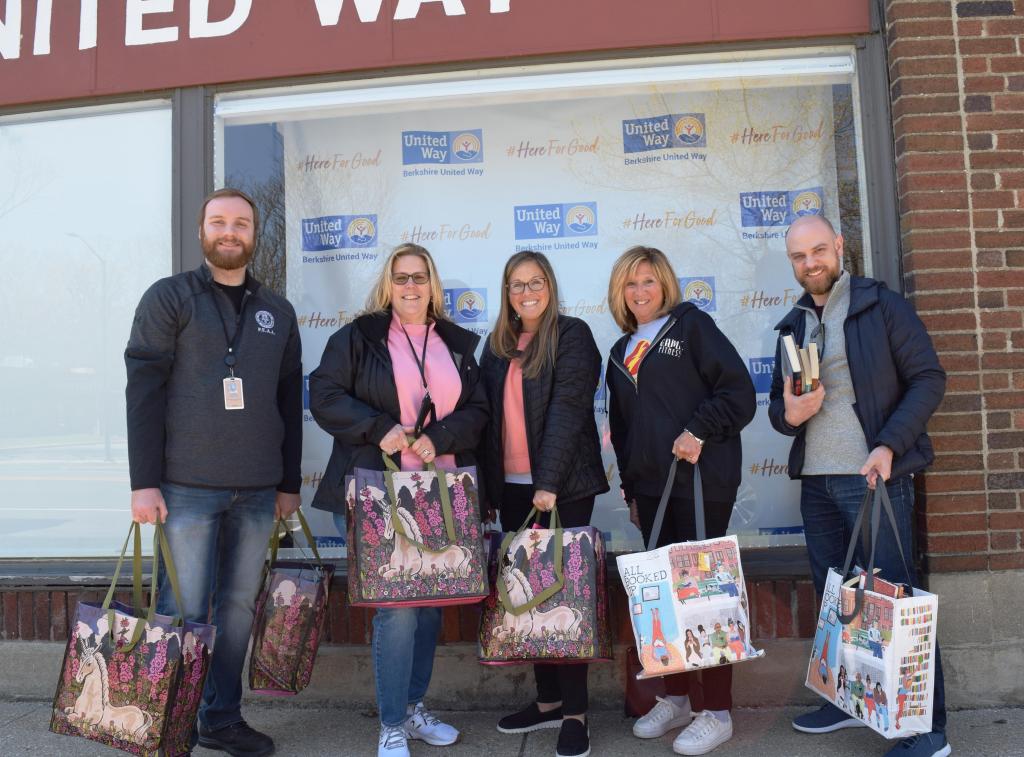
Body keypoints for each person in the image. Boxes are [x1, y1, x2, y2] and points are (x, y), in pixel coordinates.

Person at [126, 187, 302, 757]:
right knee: (182, 609)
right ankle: (165, 724)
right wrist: (142, 481)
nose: (231, 232)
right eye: (219, 222)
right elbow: (143, 392)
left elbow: (285, 400)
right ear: (202, 232)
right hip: (185, 489)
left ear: (256, 235)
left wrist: (289, 483)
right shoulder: (169, 297)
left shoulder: (279, 310)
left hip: (256, 491)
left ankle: (221, 719)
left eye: (242, 224)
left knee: (235, 610)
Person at [770, 214, 950, 757]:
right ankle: (848, 700)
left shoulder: (880, 305)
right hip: (818, 483)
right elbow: (784, 417)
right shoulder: (792, 324)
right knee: (838, 601)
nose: (810, 264)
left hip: (871, 476)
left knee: (895, 600)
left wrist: (889, 445)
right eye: (799, 257)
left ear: (840, 246)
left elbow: (928, 378)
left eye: (818, 251)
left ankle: (927, 730)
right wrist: (790, 413)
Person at [307, 243, 488, 757]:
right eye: (402, 277)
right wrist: (380, 427)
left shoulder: (455, 343)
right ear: (389, 285)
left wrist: (444, 436)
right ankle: (390, 724)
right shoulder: (358, 338)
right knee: (399, 609)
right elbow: (324, 395)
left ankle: (412, 710)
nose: (411, 287)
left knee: (429, 609)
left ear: (433, 285)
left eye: (420, 277)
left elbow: (477, 410)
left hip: (440, 496)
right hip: (377, 494)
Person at [606, 246, 756, 756]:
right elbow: (623, 431)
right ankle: (675, 697)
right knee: (661, 600)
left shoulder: (692, 327)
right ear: (619, 293)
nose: (640, 292)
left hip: (699, 483)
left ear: (664, 284)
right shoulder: (619, 350)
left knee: (704, 595)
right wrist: (630, 490)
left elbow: (738, 394)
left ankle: (716, 710)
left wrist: (697, 429)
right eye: (630, 284)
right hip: (651, 491)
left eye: (648, 281)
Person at [479, 251, 608, 757]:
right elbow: (488, 423)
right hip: (512, 491)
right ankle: (548, 701)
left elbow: (568, 410)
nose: (525, 292)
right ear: (506, 292)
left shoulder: (572, 336)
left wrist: (548, 482)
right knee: (527, 597)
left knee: (563, 603)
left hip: (562, 490)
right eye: (515, 285)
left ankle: (575, 713)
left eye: (535, 283)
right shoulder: (497, 347)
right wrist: (490, 492)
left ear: (550, 287)